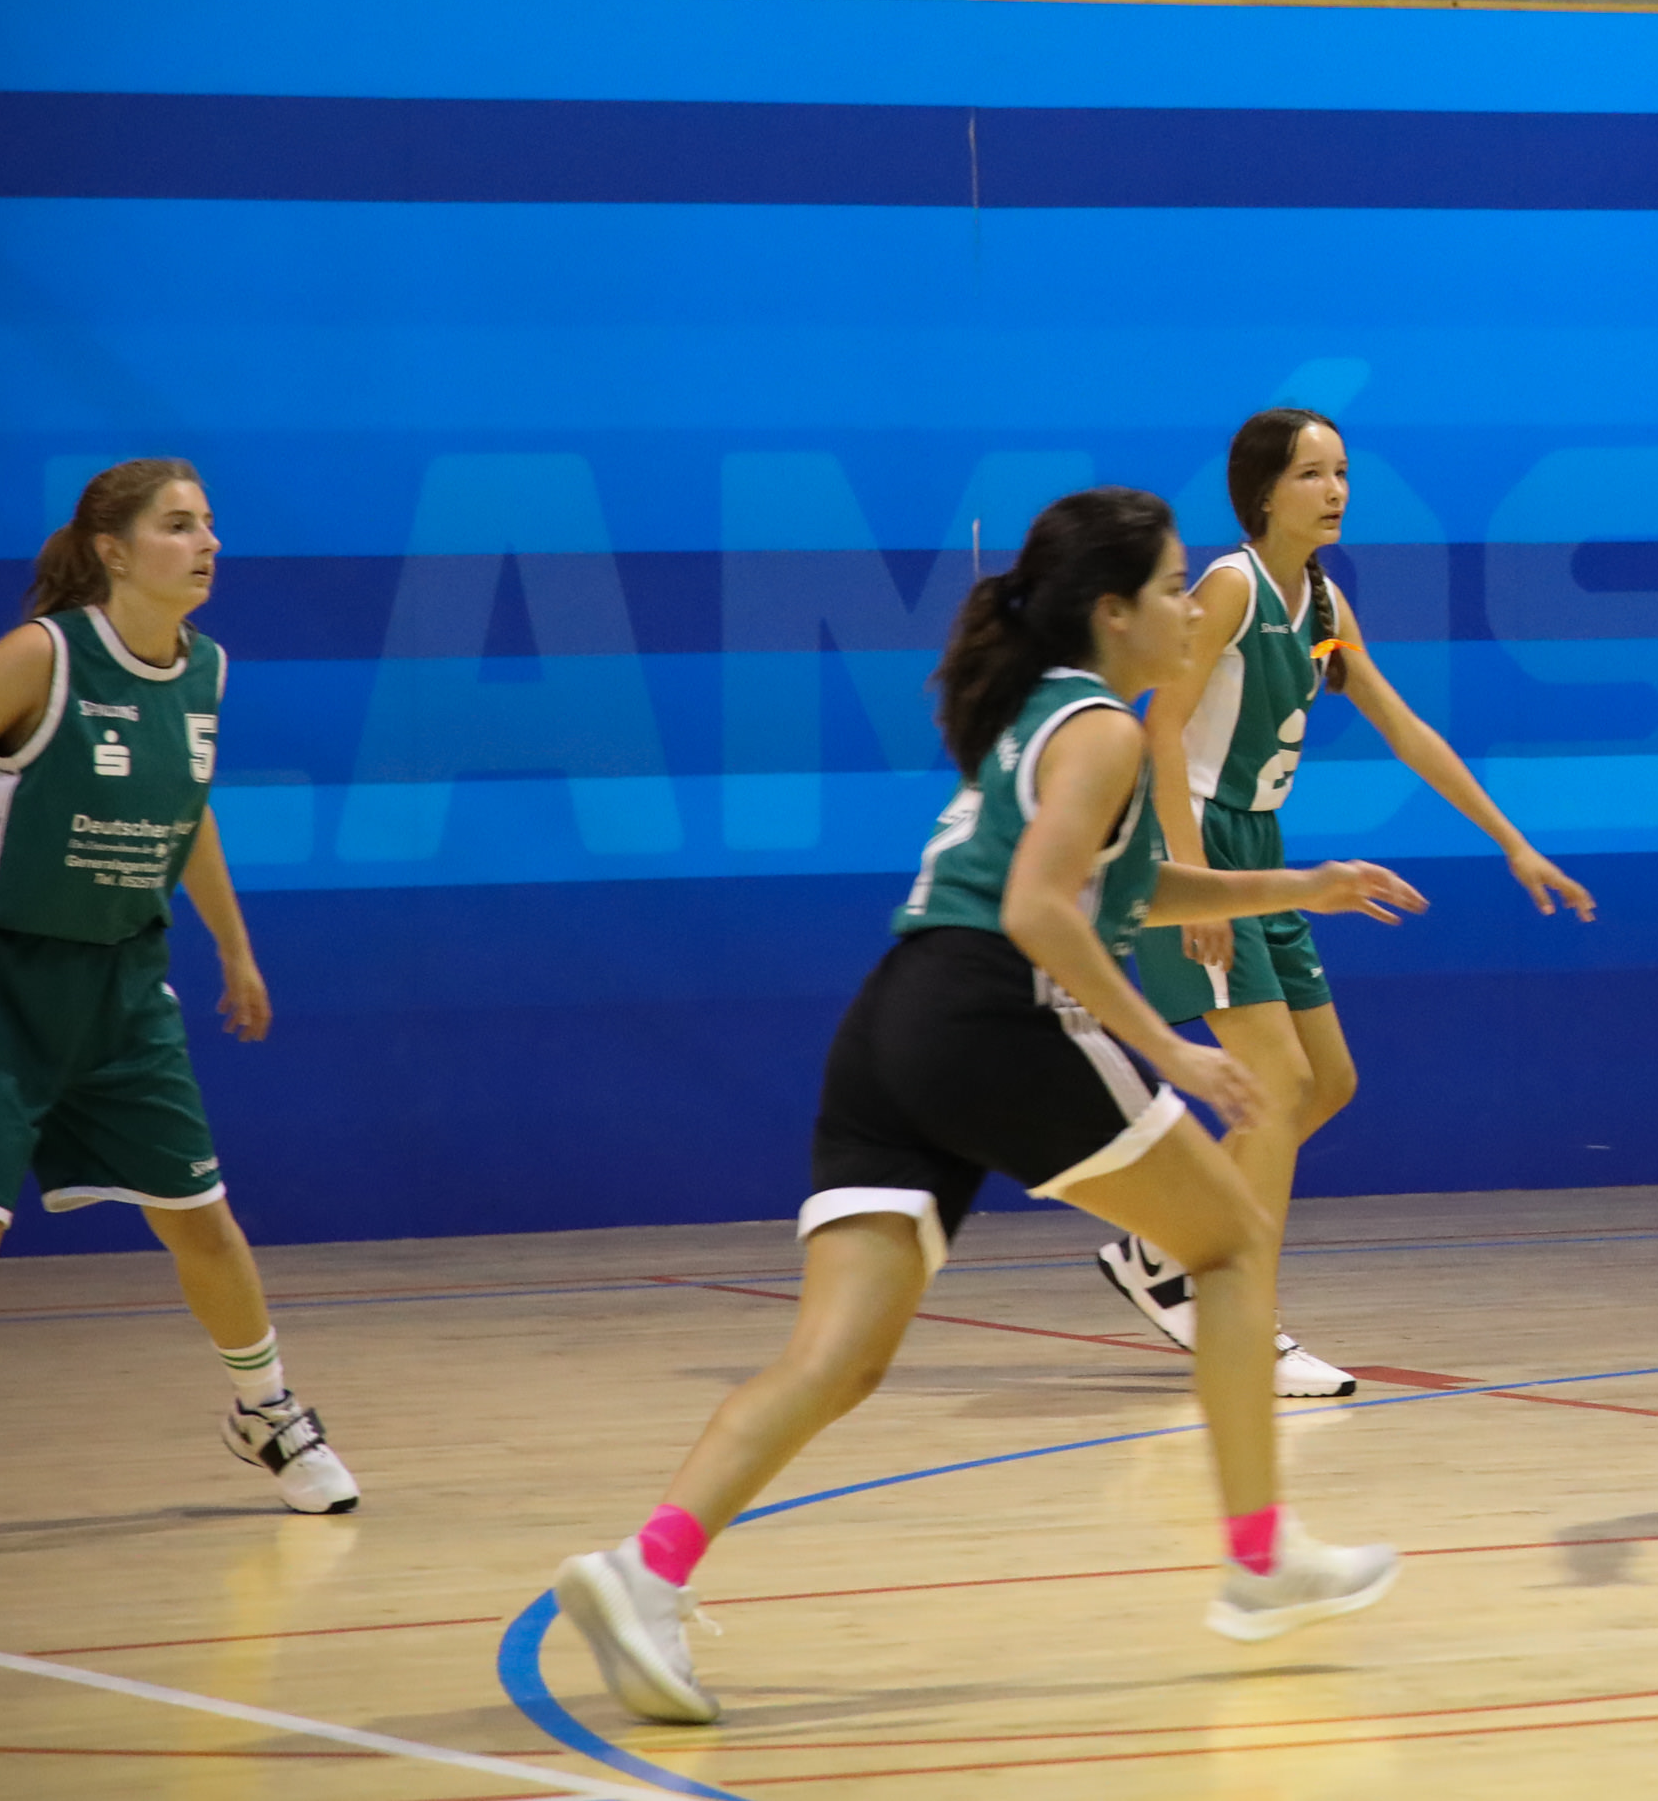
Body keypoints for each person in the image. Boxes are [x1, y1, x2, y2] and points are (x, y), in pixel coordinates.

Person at [553, 488, 1422, 1727]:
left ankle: (647, 1568)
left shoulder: (1046, 715)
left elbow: (1124, 886)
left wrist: (1305, 882)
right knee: (1232, 1242)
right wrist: (1166, 1049)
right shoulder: (1106, 729)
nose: (1189, 609)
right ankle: (1259, 1553)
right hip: (990, 1013)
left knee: (837, 1358)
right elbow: (1036, 908)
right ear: (1113, 611)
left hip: (891, 1025)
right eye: (1169, 588)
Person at [0, 459, 357, 1566]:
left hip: (123, 986)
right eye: (179, 525)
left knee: (200, 1218)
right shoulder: (43, 656)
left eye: (210, 523)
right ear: (114, 550)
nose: (206, 543)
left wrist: (235, 945)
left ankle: (267, 1412)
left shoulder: (206, 668)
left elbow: (187, 810)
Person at [1096, 408, 1597, 1396]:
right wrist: (1196, 886)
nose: (1335, 491)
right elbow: (1161, 730)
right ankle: (1242, 1320)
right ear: (1262, 491)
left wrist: (1512, 842)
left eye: (1342, 472)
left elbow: (1405, 728)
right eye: (1311, 474)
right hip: (1189, 841)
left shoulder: (1321, 601)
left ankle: (1160, 1249)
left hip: (1259, 842)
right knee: (1276, 1080)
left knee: (1326, 1081)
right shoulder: (1230, 586)